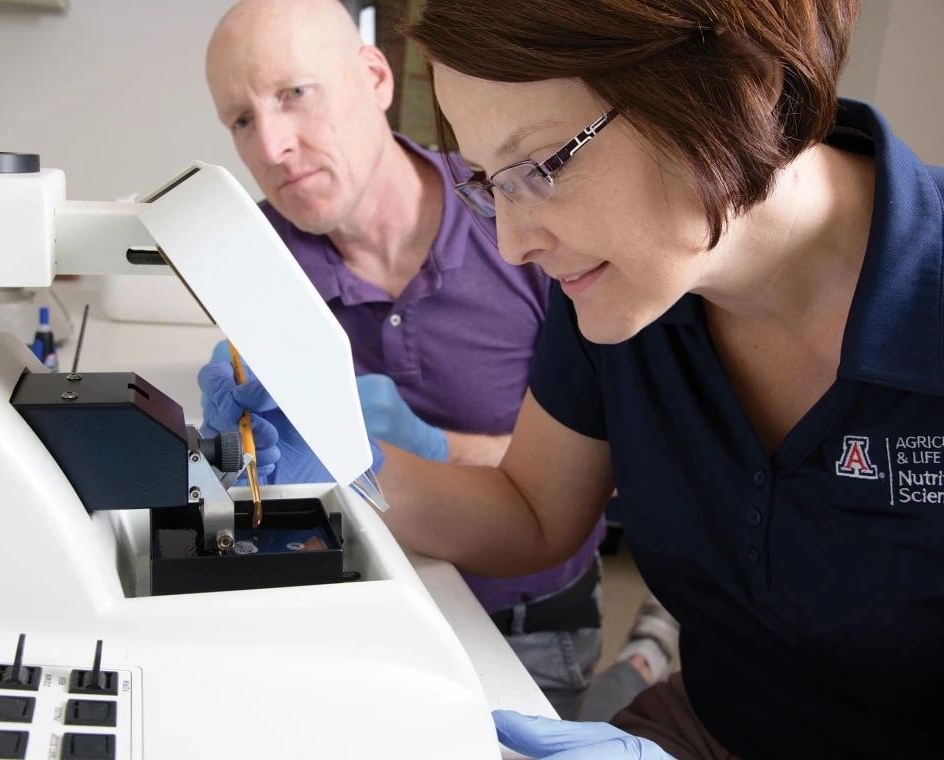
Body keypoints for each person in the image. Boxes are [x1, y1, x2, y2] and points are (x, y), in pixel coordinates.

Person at [199, 0, 944, 756]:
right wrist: (347, 471)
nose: (514, 244)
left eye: (544, 166)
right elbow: (534, 512)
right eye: (491, 183)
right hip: (716, 723)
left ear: (737, 84)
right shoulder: (628, 291)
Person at [201, 0, 677, 721]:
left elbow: (627, 482)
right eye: (241, 120)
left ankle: (647, 654)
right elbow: (277, 507)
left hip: (530, 618)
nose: (271, 145)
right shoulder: (257, 263)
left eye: (294, 95)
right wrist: (237, 469)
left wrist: (432, 449)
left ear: (374, 77)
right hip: (367, 610)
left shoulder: (523, 209)